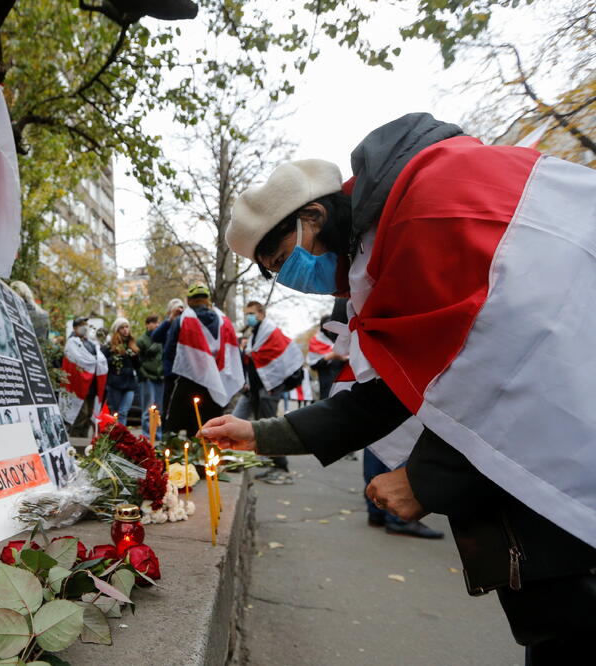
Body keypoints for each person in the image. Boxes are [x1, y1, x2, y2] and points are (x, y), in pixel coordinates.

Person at [208, 112, 596, 661]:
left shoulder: (425, 208)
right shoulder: (384, 248)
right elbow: (396, 388)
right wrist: (262, 434)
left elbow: (515, 349)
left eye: (281, 261)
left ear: (313, 216)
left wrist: (427, 479)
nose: (292, 278)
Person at [234, 300, 304, 483]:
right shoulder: (255, 335)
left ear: (262, 314)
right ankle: (273, 466)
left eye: (252, 313)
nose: (249, 317)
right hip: (258, 391)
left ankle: (283, 469)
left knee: (271, 430)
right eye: (246, 313)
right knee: (264, 430)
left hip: (269, 390)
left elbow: (278, 362)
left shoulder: (271, 332)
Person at [163, 284, 242, 435]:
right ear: (208, 300)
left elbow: (170, 352)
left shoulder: (182, 320)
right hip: (215, 383)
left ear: (189, 300)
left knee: (175, 429)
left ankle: (178, 456)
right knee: (210, 430)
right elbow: (233, 353)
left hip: (188, 381)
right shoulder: (224, 322)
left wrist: (170, 379)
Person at [59, 317, 108, 437]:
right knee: (80, 415)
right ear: (75, 328)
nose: (84, 327)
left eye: (86, 324)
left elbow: (98, 359)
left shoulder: (90, 343)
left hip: (91, 386)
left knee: (88, 415)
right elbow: (79, 360)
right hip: (78, 386)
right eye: (82, 324)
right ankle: (75, 443)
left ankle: (84, 443)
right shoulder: (72, 343)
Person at [102, 318, 141, 422]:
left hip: (129, 383)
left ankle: (122, 436)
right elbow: (103, 363)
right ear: (117, 330)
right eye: (122, 327)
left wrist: (135, 355)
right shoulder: (110, 346)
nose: (125, 330)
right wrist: (117, 355)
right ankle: (116, 435)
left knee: (123, 412)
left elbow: (137, 365)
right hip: (115, 383)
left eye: (127, 327)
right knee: (116, 413)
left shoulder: (132, 345)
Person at [150, 297, 185, 415]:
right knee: (167, 400)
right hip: (170, 369)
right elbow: (155, 337)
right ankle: (166, 428)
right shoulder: (167, 324)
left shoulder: (185, 322)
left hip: (184, 369)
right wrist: (170, 319)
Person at [137, 315, 165, 437]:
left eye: (158, 322)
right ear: (147, 324)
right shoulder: (142, 340)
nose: (156, 325)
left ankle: (158, 435)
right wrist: (144, 375)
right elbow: (137, 361)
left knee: (159, 409)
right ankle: (146, 435)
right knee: (148, 408)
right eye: (154, 322)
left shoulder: (161, 339)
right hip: (147, 377)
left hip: (160, 377)